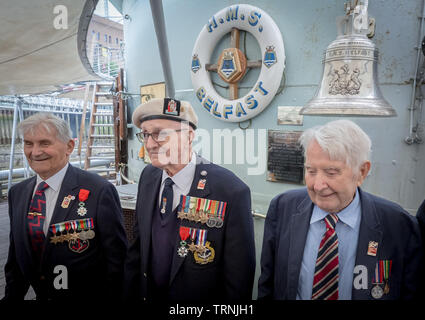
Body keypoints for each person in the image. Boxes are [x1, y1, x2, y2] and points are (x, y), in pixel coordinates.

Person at [258, 119, 423, 300]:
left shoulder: (399, 225)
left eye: (331, 173)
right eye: (311, 171)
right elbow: (268, 284)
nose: (318, 185)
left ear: (361, 172)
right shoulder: (283, 208)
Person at [124, 98, 255, 301]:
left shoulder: (230, 190)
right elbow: (138, 246)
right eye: (146, 135)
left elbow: (239, 276)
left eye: (159, 134)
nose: (149, 144)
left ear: (188, 136)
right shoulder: (149, 177)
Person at [3, 113, 127, 300]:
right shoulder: (17, 193)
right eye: (28, 143)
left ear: (69, 146)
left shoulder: (98, 190)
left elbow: (117, 260)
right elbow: (16, 257)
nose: (35, 152)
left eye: (44, 143)